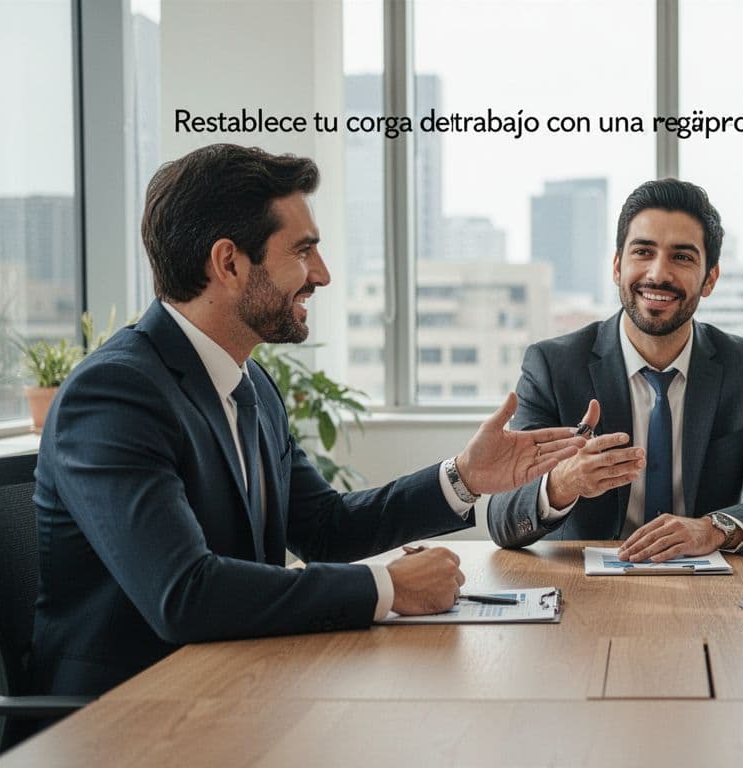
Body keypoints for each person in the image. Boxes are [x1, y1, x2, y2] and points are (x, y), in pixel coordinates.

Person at [31, 144, 585, 697]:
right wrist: (384, 588)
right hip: (126, 718)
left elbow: (327, 529)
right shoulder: (115, 395)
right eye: (303, 251)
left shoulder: (251, 388)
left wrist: (465, 475)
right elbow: (184, 594)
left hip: (234, 689)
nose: (321, 274)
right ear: (228, 263)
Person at [487, 178, 743, 561]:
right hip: (585, 595)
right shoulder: (554, 367)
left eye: (682, 257)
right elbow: (502, 518)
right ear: (616, 265)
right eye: (643, 252)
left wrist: (713, 529)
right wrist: (563, 482)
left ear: (710, 278)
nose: (658, 274)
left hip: (708, 593)